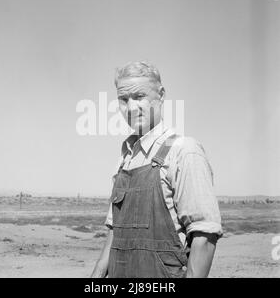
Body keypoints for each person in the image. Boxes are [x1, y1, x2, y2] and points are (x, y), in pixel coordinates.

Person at [91, 61, 222, 278]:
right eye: (124, 100)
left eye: (139, 96)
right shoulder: (125, 159)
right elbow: (115, 232)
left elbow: (204, 236)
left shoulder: (184, 151)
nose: (131, 108)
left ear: (160, 95)